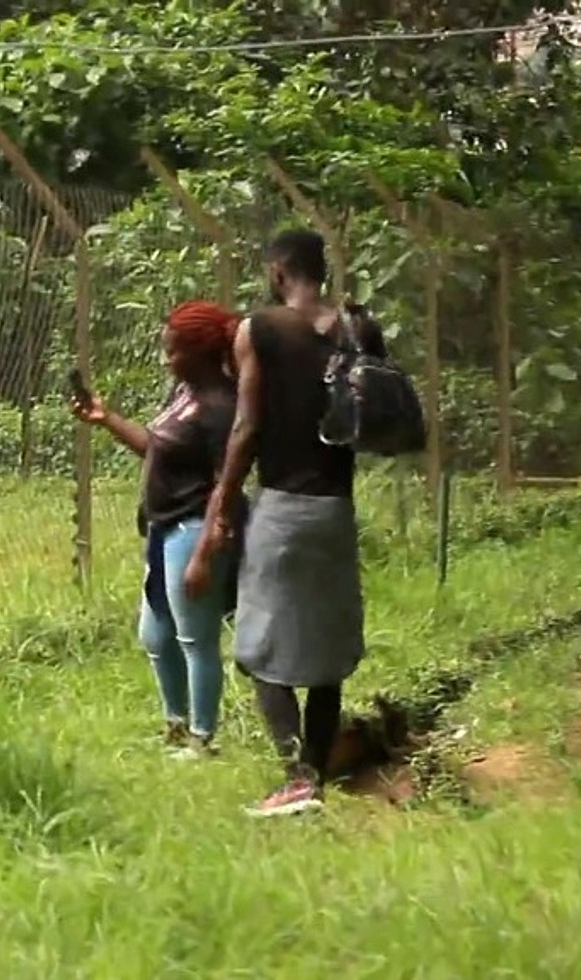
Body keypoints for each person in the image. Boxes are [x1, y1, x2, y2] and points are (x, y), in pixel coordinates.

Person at [189, 228, 381, 817]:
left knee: (257, 646)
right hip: (337, 509)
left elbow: (247, 426)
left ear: (277, 271)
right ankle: (313, 778)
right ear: (322, 270)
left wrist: (221, 506)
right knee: (326, 654)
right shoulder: (359, 328)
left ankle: (297, 779)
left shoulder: (261, 329)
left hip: (282, 506)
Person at [71, 300, 243, 759]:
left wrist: (206, 552)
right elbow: (155, 446)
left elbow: (226, 483)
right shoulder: (183, 392)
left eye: (173, 351)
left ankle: (203, 739)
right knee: (156, 635)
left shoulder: (222, 406)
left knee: (195, 638)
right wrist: (106, 418)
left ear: (200, 353)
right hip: (164, 527)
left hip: (195, 528)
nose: (167, 360)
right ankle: (176, 727)